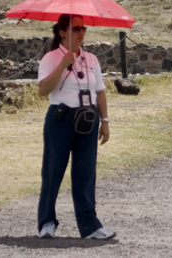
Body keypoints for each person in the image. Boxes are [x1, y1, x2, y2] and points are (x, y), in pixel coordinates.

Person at [36, 13, 114, 240]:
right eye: (76, 29)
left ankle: (90, 226)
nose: (81, 33)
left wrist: (105, 121)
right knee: (52, 172)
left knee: (86, 173)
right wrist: (63, 64)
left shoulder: (92, 59)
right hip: (60, 119)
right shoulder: (50, 58)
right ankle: (47, 222)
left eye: (83, 29)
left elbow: (99, 91)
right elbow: (43, 90)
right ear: (62, 32)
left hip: (88, 118)